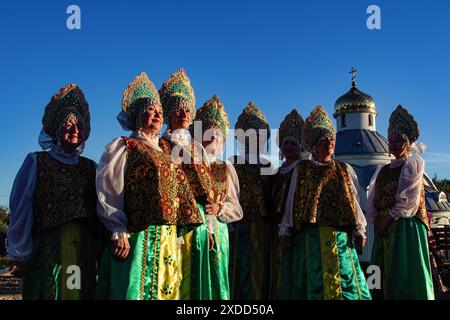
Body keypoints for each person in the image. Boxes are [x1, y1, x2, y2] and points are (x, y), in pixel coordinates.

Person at [95, 72, 202, 300]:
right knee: (133, 290)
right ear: (137, 117)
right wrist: (118, 230)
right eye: (150, 112)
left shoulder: (166, 149)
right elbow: (110, 190)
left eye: (160, 113)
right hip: (137, 235)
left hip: (166, 237)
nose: (156, 116)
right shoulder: (124, 146)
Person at [7, 84, 101, 299]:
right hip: (47, 247)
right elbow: (21, 208)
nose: (74, 130)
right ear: (57, 130)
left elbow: (100, 209)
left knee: (76, 290)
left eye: (79, 125)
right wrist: (19, 252)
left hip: (81, 248)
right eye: (68, 125)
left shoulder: (90, 167)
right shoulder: (36, 161)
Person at [289, 105, 371, 300]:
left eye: (331, 140)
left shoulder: (344, 169)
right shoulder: (302, 170)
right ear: (315, 145)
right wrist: (287, 228)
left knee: (345, 278)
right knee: (313, 278)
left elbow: (354, 200)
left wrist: (360, 228)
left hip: (339, 236)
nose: (329, 144)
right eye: (324, 141)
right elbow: (293, 199)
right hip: (311, 235)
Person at [366, 105, 434, 300]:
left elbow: (408, 199)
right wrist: (375, 219)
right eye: (392, 141)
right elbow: (373, 196)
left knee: (405, 271)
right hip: (383, 227)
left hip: (405, 227)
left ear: (407, 143)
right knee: (377, 269)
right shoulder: (383, 169)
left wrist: (387, 219)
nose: (394, 144)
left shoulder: (413, 164)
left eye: (399, 141)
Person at [159, 68, 216, 300]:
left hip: (199, 225)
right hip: (173, 225)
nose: (183, 113)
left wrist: (210, 228)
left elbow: (207, 190)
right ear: (168, 115)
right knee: (173, 279)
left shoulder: (196, 148)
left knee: (195, 285)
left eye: (186, 109)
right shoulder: (160, 145)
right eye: (177, 109)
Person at [191, 95, 243, 299]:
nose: (213, 137)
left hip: (219, 232)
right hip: (192, 231)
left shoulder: (225, 167)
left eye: (217, 135)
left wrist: (219, 209)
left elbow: (236, 207)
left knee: (216, 278)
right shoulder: (188, 163)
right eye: (208, 133)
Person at [229, 102, 273, 300]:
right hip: (237, 225)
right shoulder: (233, 162)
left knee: (259, 266)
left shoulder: (267, 165)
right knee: (238, 265)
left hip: (262, 224)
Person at [270, 109, 309, 300]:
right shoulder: (278, 171)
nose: (289, 147)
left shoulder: (304, 169)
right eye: (286, 143)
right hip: (276, 226)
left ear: (301, 147)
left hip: (296, 228)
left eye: (294, 143)